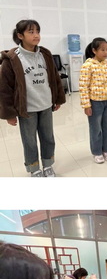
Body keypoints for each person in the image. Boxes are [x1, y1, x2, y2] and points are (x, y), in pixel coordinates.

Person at [0, 19, 65, 177]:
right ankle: (34, 168)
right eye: (31, 32)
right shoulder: (12, 59)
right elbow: (5, 89)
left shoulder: (45, 54)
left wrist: (57, 98)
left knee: (48, 137)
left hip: (45, 105)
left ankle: (48, 165)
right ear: (20, 36)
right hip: (27, 109)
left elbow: (54, 78)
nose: (36, 35)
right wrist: (9, 114)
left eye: (37, 31)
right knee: (29, 141)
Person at [79, 37, 107, 164]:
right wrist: (86, 105)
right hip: (95, 102)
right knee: (96, 128)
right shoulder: (88, 66)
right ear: (94, 50)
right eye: (102, 50)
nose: (105, 52)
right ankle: (97, 152)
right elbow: (83, 86)